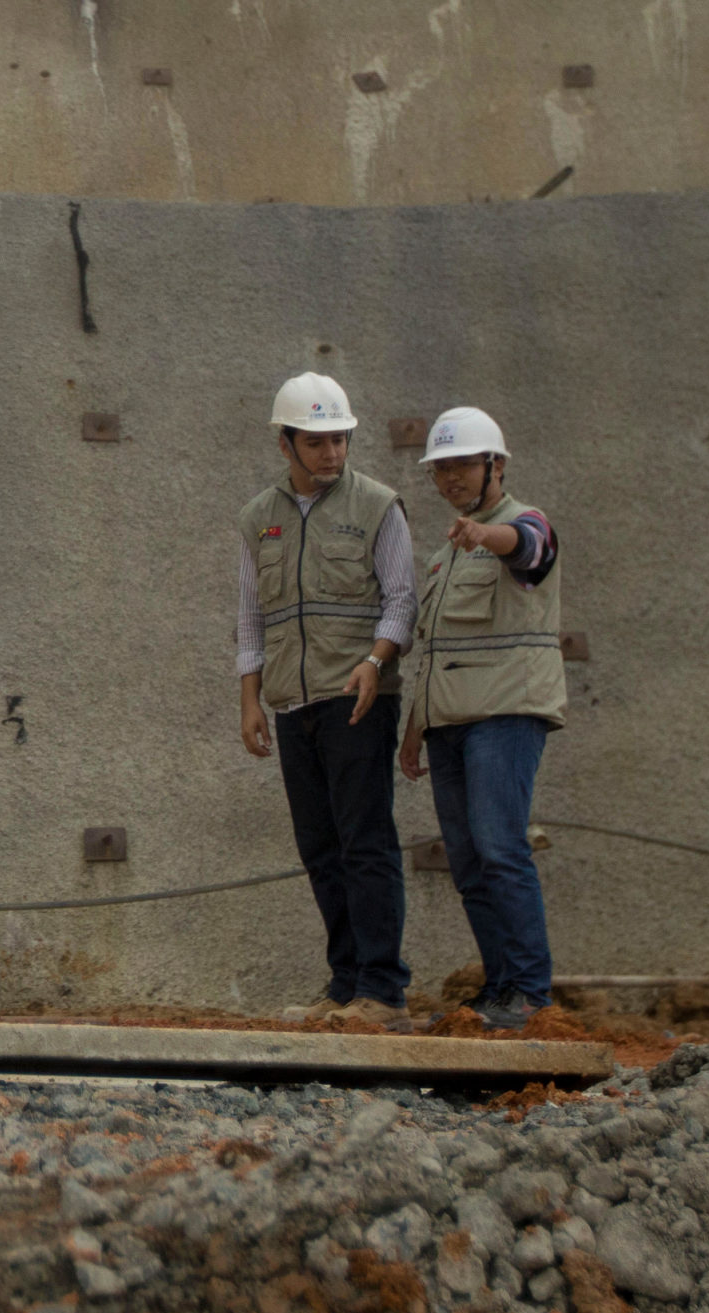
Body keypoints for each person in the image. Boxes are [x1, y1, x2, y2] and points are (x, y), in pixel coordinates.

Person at [236, 373, 417, 1029]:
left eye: (340, 439)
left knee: (365, 842)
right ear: (284, 444)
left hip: (357, 697)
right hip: (292, 704)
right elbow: (252, 618)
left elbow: (402, 600)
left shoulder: (378, 505)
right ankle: (346, 985)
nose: (332, 453)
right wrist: (251, 700)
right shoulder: (258, 519)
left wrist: (375, 662)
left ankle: (383, 991)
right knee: (320, 847)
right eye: (316, 442)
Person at [398, 406, 563, 1030]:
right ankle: (500, 991)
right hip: (449, 723)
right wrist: (415, 728)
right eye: (440, 470)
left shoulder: (524, 522)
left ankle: (530, 993)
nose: (450, 479)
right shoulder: (446, 556)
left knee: (500, 847)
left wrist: (486, 535)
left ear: (495, 465)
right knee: (468, 862)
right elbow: (437, 649)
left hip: (505, 713)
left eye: (463, 465)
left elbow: (529, 547)